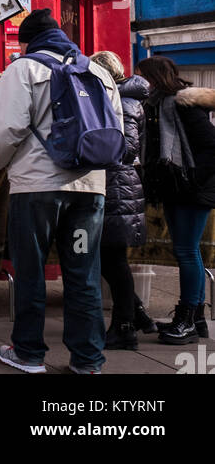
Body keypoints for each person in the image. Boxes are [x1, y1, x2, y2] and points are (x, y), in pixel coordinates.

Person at [0, 7, 123, 375]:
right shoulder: (97, 71)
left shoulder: (24, 70)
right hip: (89, 189)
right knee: (83, 273)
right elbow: (117, 132)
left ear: (28, 41)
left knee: (30, 271)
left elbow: (5, 130)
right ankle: (88, 360)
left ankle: (29, 354)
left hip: (36, 189)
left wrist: (2, 163)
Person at [138, 55, 215, 344]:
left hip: (191, 190)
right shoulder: (156, 106)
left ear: (156, 77)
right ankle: (195, 319)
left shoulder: (182, 106)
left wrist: (192, 179)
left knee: (186, 252)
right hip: (175, 188)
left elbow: (210, 147)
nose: (142, 83)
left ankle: (186, 320)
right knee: (187, 251)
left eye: (144, 77)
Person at [90, 51, 155, 348]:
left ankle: (125, 326)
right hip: (117, 184)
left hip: (117, 185)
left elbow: (127, 148)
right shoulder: (125, 99)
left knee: (112, 259)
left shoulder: (123, 101)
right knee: (108, 258)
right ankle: (136, 314)